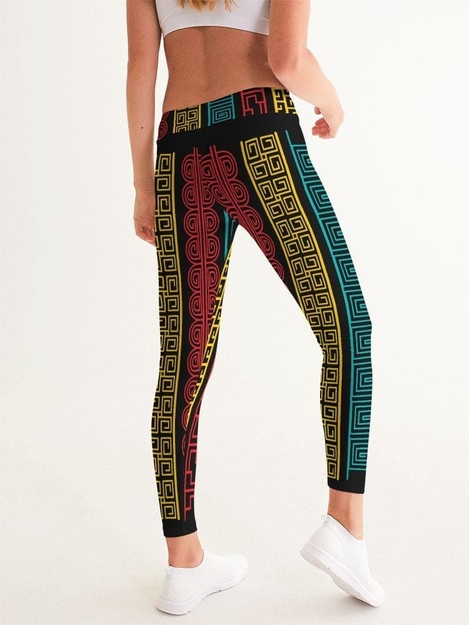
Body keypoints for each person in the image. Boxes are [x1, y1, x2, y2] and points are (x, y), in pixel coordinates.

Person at [126, 0, 385, 615]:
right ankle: (344, 526)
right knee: (347, 326)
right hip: (258, 133)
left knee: (183, 361)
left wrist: (143, 186)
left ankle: (183, 561)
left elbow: (141, 67)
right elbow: (287, 60)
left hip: (179, 150)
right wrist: (332, 102)